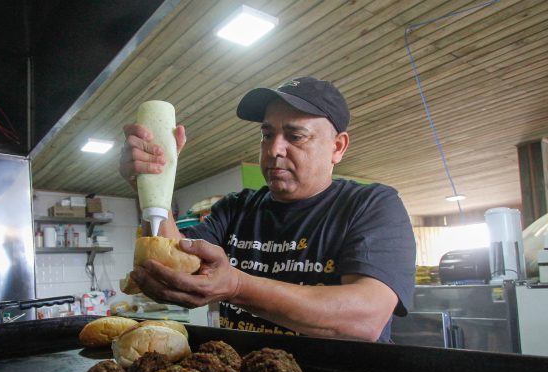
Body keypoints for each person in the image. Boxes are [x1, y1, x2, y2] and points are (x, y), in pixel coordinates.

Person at [119, 77, 416, 342]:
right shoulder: (236, 208)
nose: (274, 149)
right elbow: (173, 265)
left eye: (295, 136)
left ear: (337, 147)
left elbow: (365, 318)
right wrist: (152, 185)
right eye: (267, 134)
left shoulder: (371, 205)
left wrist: (237, 285)